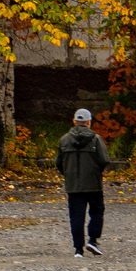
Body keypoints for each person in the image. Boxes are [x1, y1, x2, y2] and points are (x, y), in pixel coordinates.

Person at [55, 108, 121, 257]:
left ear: (74, 121)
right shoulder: (96, 139)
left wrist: (68, 174)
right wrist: (98, 171)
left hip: (73, 185)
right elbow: (104, 159)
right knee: (97, 211)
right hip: (93, 184)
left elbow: (59, 162)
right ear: (89, 122)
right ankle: (93, 240)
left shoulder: (64, 140)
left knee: (76, 216)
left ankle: (78, 249)